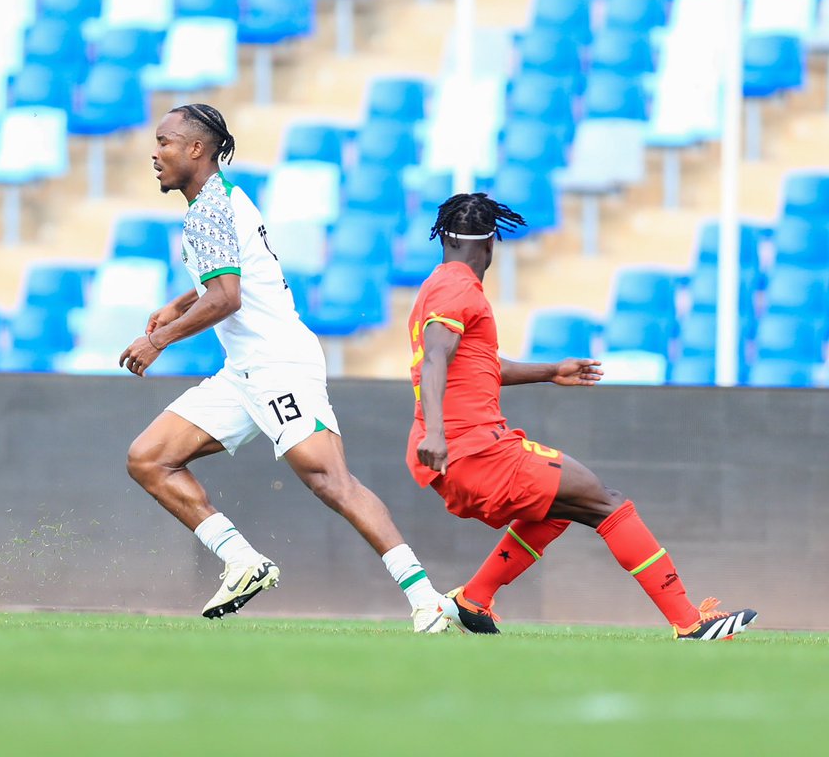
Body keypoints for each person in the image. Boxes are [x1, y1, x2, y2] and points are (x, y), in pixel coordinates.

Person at [120, 104, 458, 632]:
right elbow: (237, 271)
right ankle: (242, 561)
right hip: (245, 369)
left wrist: (159, 338)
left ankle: (426, 597)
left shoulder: (209, 209)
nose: (155, 154)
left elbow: (228, 297)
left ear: (195, 149)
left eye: (165, 142)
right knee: (149, 458)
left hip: (277, 363)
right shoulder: (222, 199)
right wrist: (181, 303)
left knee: (330, 481)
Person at [407, 192, 757, 640]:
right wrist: (437, 432)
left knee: (555, 509)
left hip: (456, 450)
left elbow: (475, 365)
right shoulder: (459, 289)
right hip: (473, 449)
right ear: (492, 244)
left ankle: (474, 599)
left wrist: (552, 370)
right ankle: (689, 621)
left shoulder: (437, 287)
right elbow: (437, 356)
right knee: (607, 502)